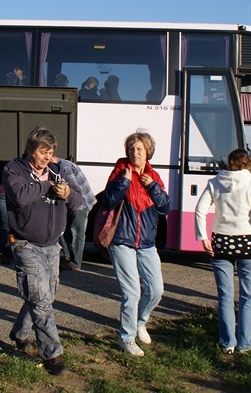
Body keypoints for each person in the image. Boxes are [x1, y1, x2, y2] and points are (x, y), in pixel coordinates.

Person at [3, 127, 82, 375]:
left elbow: (79, 201)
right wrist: (46, 185)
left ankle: (19, 333)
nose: (47, 157)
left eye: (50, 152)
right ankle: (53, 354)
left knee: (44, 297)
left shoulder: (58, 171)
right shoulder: (13, 170)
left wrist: (67, 193)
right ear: (30, 150)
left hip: (52, 246)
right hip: (25, 244)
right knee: (40, 300)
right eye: (42, 151)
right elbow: (20, 196)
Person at [195, 149, 251, 354]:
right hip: (247, 241)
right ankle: (245, 341)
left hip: (221, 241)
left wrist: (203, 237)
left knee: (225, 296)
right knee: (248, 296)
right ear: (248, 164)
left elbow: (200, 210)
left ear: (229, 163)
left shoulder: (214, 182)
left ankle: (227, 342)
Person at [102, 130, 170, 357]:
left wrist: (152, 187)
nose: (135, 152)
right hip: (122, 240)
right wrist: (124, 183)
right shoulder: (120, 172)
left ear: (148, 151)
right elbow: (108, 201)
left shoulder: (153, 176)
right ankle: (126, 338)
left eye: (139, 149)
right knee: (132, 293)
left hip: (147, 242)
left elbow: (165, 207)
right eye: (131, 148)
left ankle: (141, 321)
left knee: (156, 290)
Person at [55, 157, 97, 271]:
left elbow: (75, 190)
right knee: (66, 230)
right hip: (75, 202)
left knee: (76, 232)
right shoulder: (60, 165)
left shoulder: (64, 168)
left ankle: (75, 263)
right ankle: (67, 257)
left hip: (81, 203)